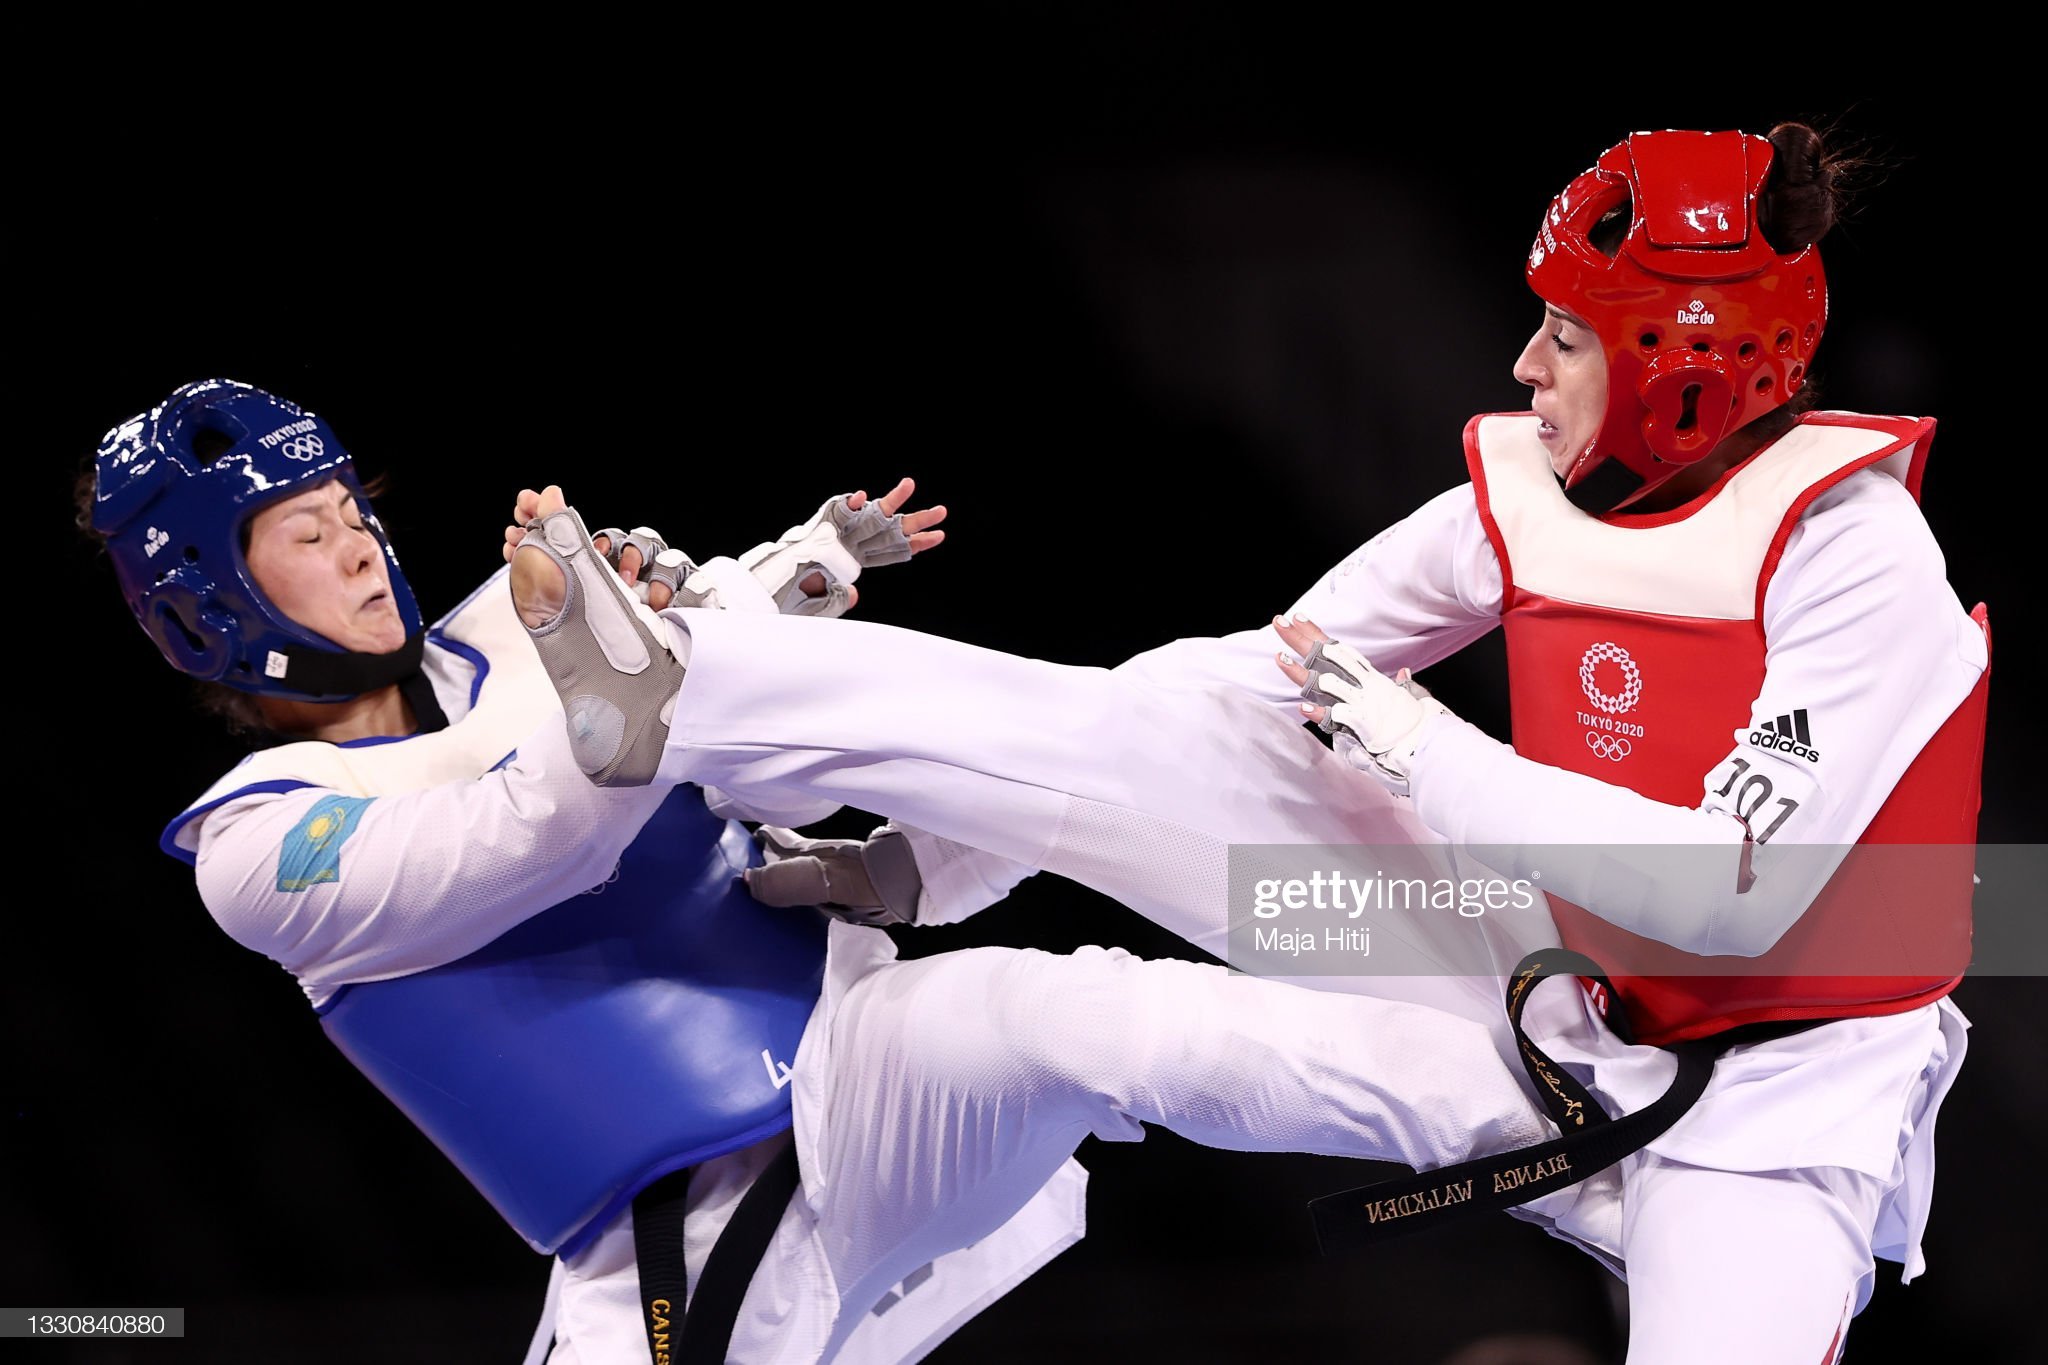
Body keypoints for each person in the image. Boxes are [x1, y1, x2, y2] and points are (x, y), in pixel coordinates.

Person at [504, 123, 1991, 1364]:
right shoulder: (1534, 498)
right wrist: (938, 862)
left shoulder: (1858, 561)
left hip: (1770, 1107)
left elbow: (1728, 897)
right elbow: (1240, 686)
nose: (1525, 366)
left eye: (1563, 334)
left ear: (1684, 358)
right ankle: (694, 686)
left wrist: (1428, 753)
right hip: (1536, 982)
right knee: (1208, 708)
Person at [83, 378, 1558, 1364]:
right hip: (677, 1246)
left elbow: (697, 670)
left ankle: (1548, 1113)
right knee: (703, 724)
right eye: (307, 529)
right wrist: (622, 674)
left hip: (855, 1076)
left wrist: (790, 576)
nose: (359, 544)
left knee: (1100, 1009)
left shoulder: (494, 633)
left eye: (354, 506)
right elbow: (530, 837)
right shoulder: (259, 843)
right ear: (214, 599)